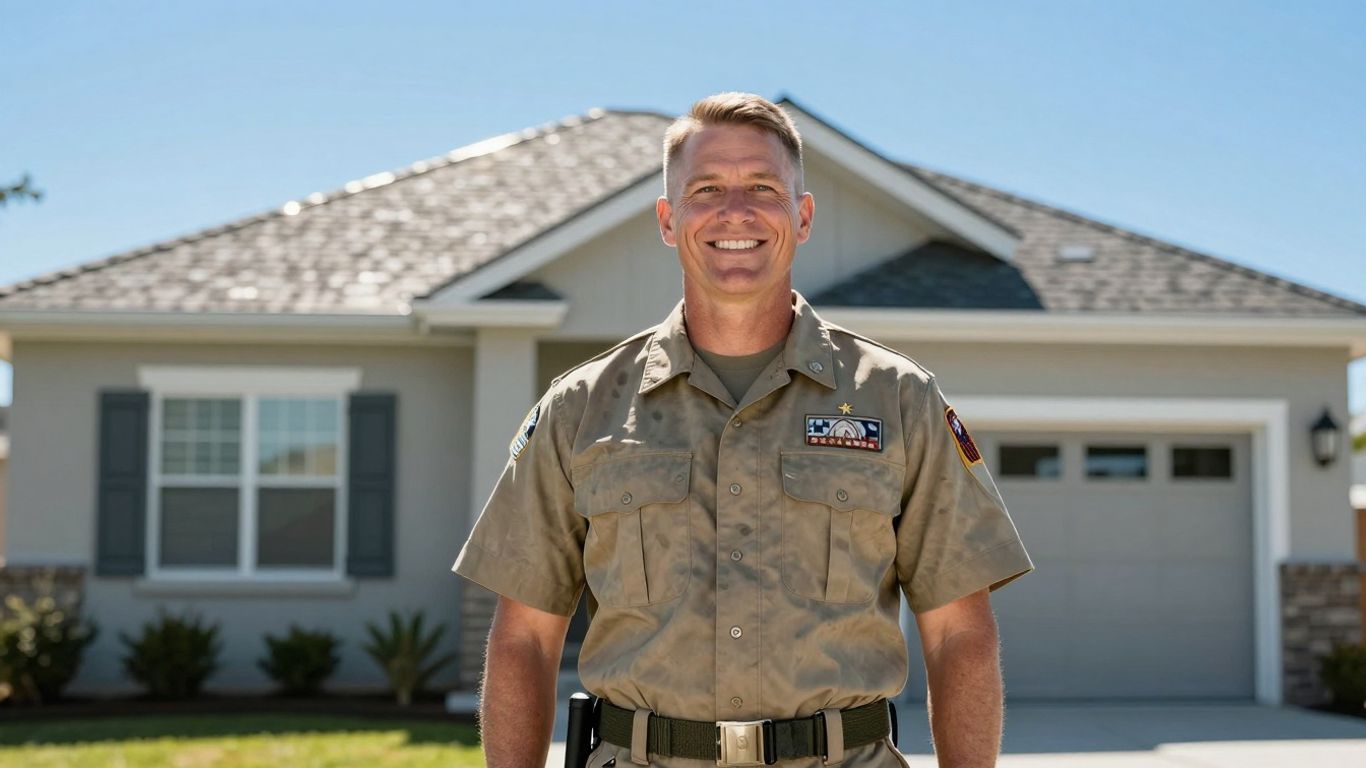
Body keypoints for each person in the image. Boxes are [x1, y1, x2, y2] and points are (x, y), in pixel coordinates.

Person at [453, 92, 1034, 768]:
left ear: (803, 215)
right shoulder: (581, 409)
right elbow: (522, 637)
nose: (736, 211)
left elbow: (958, 634)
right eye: (707, 189)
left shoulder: (898, 398)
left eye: (762, 186)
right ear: (669, 221)